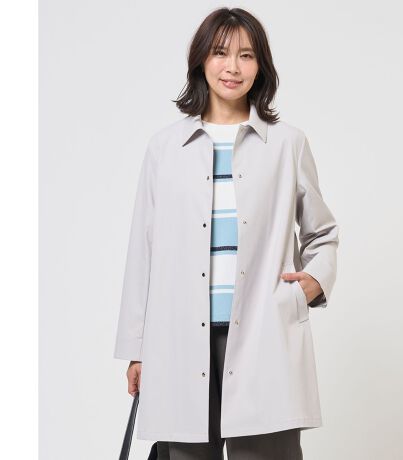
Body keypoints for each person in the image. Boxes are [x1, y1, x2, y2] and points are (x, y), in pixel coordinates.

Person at [114, 7, 339, 460]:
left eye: (246, 55)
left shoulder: (287, 144)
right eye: (220, 53)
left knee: (268, 453)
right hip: (179, 338)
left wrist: (312, 284)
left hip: (264, 333)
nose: (232, 67)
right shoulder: (164, 148)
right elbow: (143, 251)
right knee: (186, 452)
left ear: (261, 66)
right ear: (201, 60)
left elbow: (323, 232)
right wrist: (137, 349)